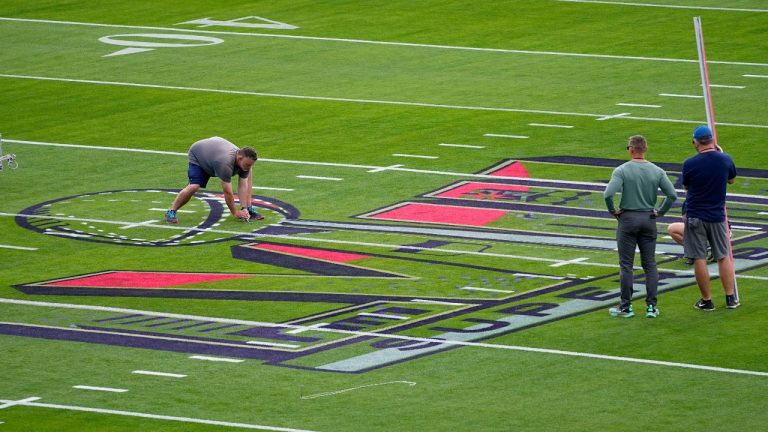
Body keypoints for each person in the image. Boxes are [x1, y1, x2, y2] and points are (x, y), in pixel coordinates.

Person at [604, 135, 677, 318]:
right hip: (648, 218)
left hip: (628, 218)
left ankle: (626, 306)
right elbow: (672, 195)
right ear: (645, 148)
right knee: (650, 264)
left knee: (626, 266)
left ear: (631, 149)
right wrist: (660, 212)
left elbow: (608, 194)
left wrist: (613, 211)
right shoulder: (657, 171)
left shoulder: (621, 170)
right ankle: (651, 307)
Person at [682, 125, 739, 311]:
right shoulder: (725, 159)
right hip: (717, 215)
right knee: (723, 256)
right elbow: (731, 180)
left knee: (699, 258)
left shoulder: (690, 164)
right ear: (712, 140)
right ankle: (730, 298)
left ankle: (707, 300)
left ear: (695, 142)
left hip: (696, 214)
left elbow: (687, 188)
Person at [165, 136, 263, 224]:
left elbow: (243, 185)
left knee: (248, 173)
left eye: (251, 164)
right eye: (247, 164)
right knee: (194, 186)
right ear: (240, 158)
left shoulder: (244, 162)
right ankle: (171, 211)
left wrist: (244, 208)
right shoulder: (225, 163)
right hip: (199, 156)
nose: (249, 167)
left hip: (213, 152)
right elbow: (228, 192)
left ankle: (249, 208)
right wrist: (235, 213)